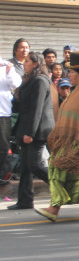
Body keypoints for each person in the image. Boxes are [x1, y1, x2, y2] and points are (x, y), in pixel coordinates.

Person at [34, 51, 79, 222]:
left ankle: (54, 208)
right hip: (68, 141)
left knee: (59, 171)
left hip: (77, 142)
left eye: (71, 72)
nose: (68, 75)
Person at [8, 52, 54, 210]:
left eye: (27, 61)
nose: (24, 63)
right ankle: (25, 201)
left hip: (37, 130)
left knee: (34, 165)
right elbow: (21, 105)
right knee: (26, 167)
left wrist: (30, 133)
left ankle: (61, 187)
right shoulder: (28, 80)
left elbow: (37, 109)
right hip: (26, 127)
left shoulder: (40, 81)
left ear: (35, 64)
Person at [0, 58, 22, 186]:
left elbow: (16, 83)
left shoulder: (6, 66)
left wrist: (8, 71)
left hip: (3, 113)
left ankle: (2, 175)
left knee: (3, 146)